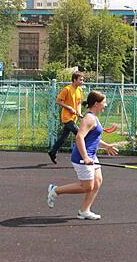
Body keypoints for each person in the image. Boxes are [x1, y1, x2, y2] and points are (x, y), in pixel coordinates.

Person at [46, 91, 118, 220]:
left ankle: (84, 211)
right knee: (87, 187)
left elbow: (93, 138)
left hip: (91, 155)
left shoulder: (94, 117)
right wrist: (85, 157)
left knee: (97, 182)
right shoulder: (89, 118)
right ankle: (55, 190)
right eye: (104, 102)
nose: (105, 105)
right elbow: (79, 137)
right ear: (96, 103)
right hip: (82, 157)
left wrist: (106, 146)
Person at [48, 71, 85, 164]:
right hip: (67, 117)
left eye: (83, 80)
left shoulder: (79, 90)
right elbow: (58, 101)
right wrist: (69, 107)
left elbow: (79, 103)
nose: (82, 82)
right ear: (74, 80)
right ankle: (84, 156)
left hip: (73, 118)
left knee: (64, 137)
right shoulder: (67, 89)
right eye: (80, 80)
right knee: (80, 135)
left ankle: (53, 151)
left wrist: (79, 113)